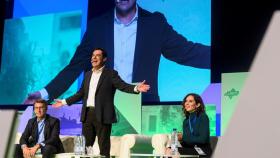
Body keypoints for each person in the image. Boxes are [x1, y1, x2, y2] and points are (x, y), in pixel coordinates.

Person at [24, 0, 210, 104]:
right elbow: (76, 66)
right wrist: (44, 93)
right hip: (102, 108)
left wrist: (225, 56)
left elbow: (186, 52)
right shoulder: (97, 26)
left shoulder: (155, 23)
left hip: (143, 107)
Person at [52, 48, 150, 157]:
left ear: (104, 59)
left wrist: (136, 88)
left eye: (97, 55)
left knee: (103, 146)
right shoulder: (88, 74)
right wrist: (64, 102)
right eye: (93, 55)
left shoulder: (110, 74)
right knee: (86, 146)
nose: (94, 58)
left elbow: (122, 86)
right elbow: (80, 93)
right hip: (87, 114)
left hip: (103, 114)